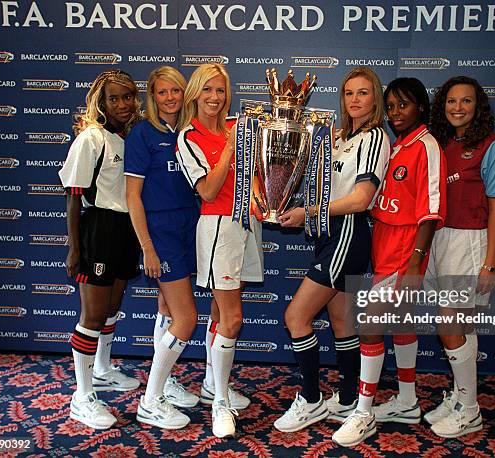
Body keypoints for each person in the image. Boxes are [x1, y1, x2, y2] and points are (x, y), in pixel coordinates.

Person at [274, 66, 390, 434]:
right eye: (349, 93)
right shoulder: (339, 137)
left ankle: (310, 400)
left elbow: (360, 199)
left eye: (363, 93)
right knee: (341, 322)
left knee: (296, 316)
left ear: (376, 99)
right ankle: (347, 397)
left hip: (347, 234)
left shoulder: (374, 138)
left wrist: (308, 211)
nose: (355, 100)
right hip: (329, 234)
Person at [332, 77, 446, 447]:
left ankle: (363, 412)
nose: (396, 112)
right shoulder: (398, 146)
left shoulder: (426, 146)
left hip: (405, 250)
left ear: (422, 108)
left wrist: (416, 261)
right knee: (400, 326)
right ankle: (409, 401)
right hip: (384, 245)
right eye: (392, 106)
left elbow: (431, 209)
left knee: (368, 326)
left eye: (405, 105)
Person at [424, 75, 495, 438]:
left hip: (469, 242)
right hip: (438, 238)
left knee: (449, 324)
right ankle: (462, 397)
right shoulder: (441, 144)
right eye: (451, 102)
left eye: (467, 101)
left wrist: (490, 262)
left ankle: (470, 410)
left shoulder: (493, 146)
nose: (458, 108)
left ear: (479, 106)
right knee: (462, 324)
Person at [176, 64, 259, 438]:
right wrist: (229, 146)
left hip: (246, 223)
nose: (215, 98)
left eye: (221, 91)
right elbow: (207, 190)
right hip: (217, 228)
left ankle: (214, 383)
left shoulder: (236, 129)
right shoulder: (188, 137)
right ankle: (219, 403)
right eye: (208, 90)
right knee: (233, 318)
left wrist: (268, 203)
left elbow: (253, 180)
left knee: (218, 313)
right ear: (195, 94)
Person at [59, 70, 141, 430]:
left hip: (126, 229)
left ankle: (104, 369)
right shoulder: (91, 138)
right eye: (114, 98)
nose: (122, 105)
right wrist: (75, 249)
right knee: (92, 315)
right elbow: (73, 197)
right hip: (99, 230)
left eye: (128, 97)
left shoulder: (129, 137)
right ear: (100, 101)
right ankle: (82, 396)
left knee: (111, 307)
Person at [124, 66, 200, 430]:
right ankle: (150, 401)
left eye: (175, 91)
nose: (170, 98)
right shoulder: (142, 135)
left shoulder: (189, 132)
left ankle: (164, 383)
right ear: (152, 97)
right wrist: (147, 248)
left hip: (190, 225)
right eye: (162, 92)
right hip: (161, 231)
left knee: (168, 308)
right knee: (187, 319)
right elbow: (132, 197)